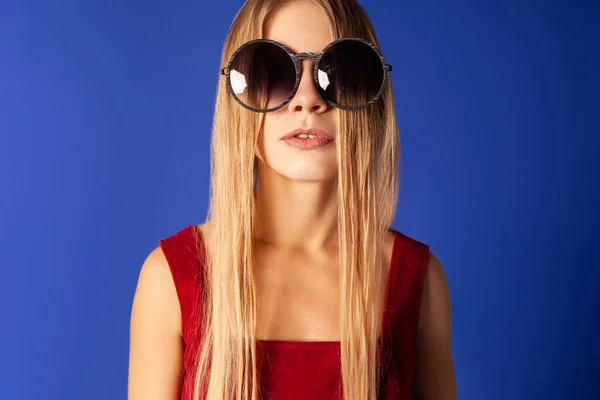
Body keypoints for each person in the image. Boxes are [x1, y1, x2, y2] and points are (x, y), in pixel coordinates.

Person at [128, 0, 457, 399]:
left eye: (336, 72)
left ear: (371, 98)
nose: (307, 100)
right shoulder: (171, 277)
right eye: (272, 72)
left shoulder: (416, 281)